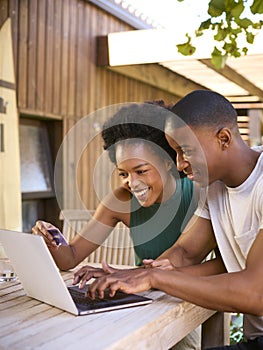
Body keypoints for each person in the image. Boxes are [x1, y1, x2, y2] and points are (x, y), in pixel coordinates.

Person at [80, 91, 263, 350]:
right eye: (175, 153)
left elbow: (255, 294)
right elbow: (185, 253)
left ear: (223, 138)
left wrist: (155, 279)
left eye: (185, 151)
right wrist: (129, 276)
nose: (179, 165)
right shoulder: (213, 185)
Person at [33, 102, 199, 350]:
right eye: (123, 173)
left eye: (141, 171)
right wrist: (52, 240)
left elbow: (190, 259)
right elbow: (70, 257)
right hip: (138, 298)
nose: (132, 183)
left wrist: (126, 275)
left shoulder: (196, 194)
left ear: (167, 162)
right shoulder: (121, 200)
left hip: (185, 302)